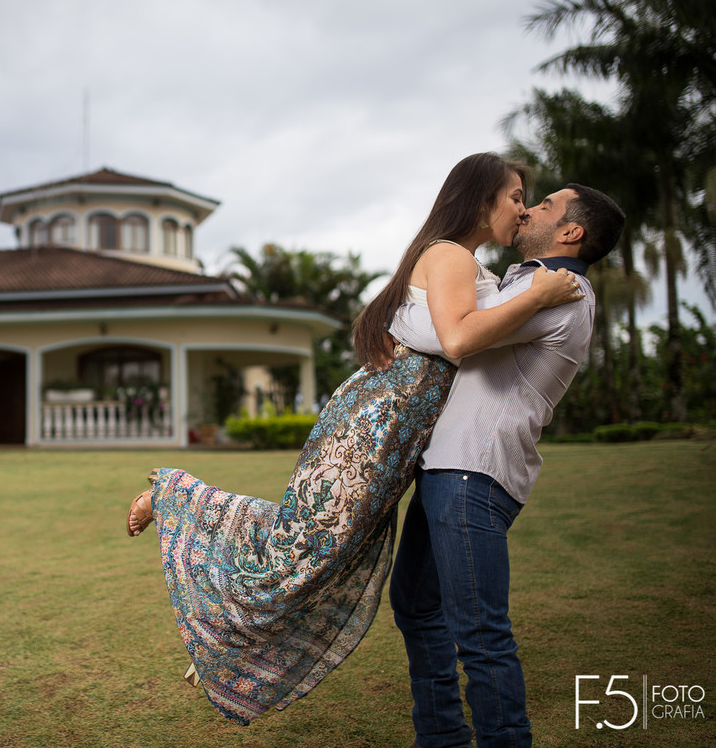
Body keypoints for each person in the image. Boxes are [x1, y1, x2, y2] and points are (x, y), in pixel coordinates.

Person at [124, 153, 582, 725]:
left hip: (396, 437)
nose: (521, 207)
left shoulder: (470, 266)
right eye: (515, 196)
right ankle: (173, 496)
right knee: (303, 549)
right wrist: (538, 296)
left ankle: (237, 638)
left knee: (325, 556)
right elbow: (459, 340)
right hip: (371, 431)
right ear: (480, 199)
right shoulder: (449, 256)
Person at [387, 183, 626, 748]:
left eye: (544, 205)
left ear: (571, 233)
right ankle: (443, 737)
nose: (529, 208)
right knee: (418, 605)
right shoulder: (527, 282)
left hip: (473, 473)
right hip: (451, 469)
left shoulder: (564, 291)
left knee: (480, 632)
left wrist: (395, 317)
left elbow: (454, 334)